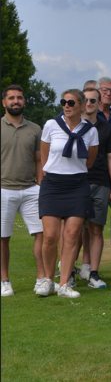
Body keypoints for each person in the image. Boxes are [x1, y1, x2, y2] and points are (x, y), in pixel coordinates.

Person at [36, 89, 99, 298]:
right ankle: (47, 280)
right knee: (50, 237)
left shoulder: (91, 131)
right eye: (64, 101)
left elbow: (89, 162)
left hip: (77, 184)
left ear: (82, 106)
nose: (66, 105)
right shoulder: (51, 125)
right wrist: (46, 178)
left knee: (71, 235)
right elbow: (44, 158)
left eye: (71, 102)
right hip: (53, 183)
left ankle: (64, 284)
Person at [1, 85, 46, 297]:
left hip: (31, 190)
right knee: (3, 238)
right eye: (11, 98)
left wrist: (40, 185)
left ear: (24, 101)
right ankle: (4, 281)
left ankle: (41, 278)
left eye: (19, 97)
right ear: (4, 102)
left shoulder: (35, 128)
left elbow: (39, 160)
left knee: (42, 234)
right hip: (4, 190)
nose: (15, 101)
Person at [74, 87, 111, 289]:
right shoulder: (71, 127)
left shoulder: (107, 129)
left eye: (94, 100)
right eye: (87, 100)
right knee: (73, 230)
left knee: (96, 230)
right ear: (82, 103)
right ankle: (69, 272)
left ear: (99, 103)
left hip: (101, 183)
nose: (90, 103)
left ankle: (94, 273)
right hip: (76, 182)